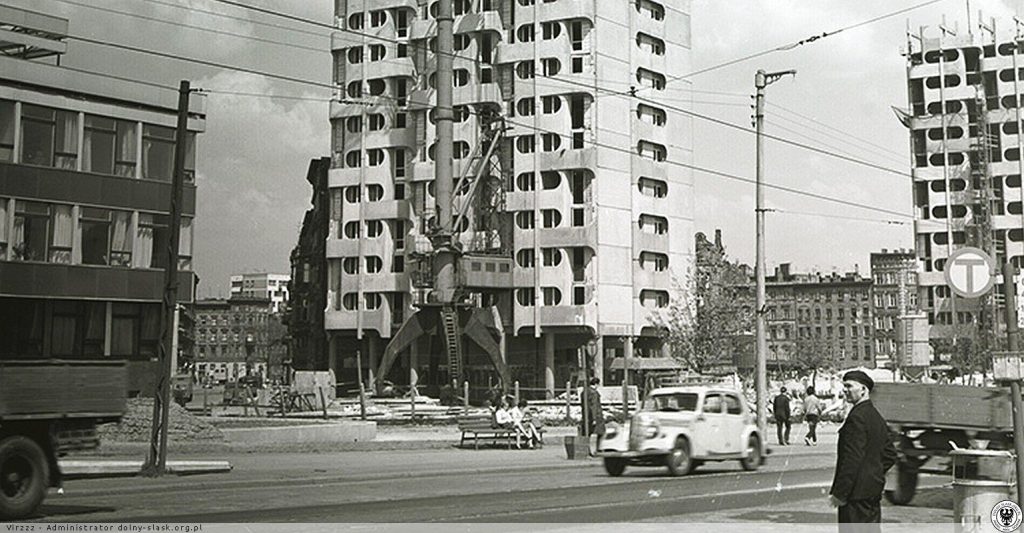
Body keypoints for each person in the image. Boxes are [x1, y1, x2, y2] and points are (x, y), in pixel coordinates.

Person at [829, 370, 898, 531]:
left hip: (854, 495)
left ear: (863, 390)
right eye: (844, 386)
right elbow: (890, 454)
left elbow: (852, 459)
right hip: (871, 491)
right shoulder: (876, 416)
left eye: (849, 386)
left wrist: (840, 493)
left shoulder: (856, 417)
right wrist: (874, 473)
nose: (844, 390)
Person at [582, 377, 605, 454]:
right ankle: (599, 449)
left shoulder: (584, 392)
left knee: (587, 434)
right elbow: (594, 406)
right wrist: (594, 418)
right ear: (596, 384)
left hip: (586, 416)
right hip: (596, 416)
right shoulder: (594, 393)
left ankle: (586, 450)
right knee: (601, 433)